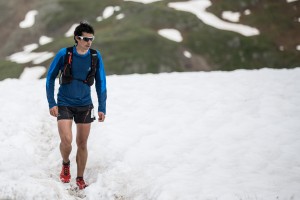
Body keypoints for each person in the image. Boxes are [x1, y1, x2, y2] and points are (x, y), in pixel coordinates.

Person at [46, 21, 107, 189]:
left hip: (85, 105)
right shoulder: (64, 54)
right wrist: (52, 103)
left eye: (91, 39)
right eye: (85, 39)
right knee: (66, 141)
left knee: (82, 143)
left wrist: (102, 107)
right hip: (64, 102)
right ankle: (65, 164)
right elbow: (50, 77)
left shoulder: (95, 56)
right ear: (77, 39)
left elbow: (101, 81)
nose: (89, 42)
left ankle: (80, 178)